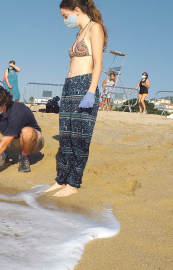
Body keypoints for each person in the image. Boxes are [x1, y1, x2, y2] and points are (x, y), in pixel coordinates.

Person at [45, 0, 106, 197]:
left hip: (85, 84)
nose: (65, 20)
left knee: (80, 138)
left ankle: (73, 183)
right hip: (69, 87)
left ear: (77, 11)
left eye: (65, 16)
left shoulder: (94, 28)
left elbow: (98, 63)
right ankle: (61, 179)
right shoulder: (79, 33)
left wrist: (91, 90)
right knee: (66, 137)